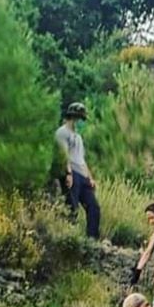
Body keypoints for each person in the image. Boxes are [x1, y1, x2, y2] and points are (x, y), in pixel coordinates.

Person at [55, 102, 100, 240]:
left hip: (82, 175)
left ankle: (92, 239)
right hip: (71, 173)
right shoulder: (62, 132)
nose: (81, 122)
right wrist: (68, 173)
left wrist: (90, 178)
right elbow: (64, 154)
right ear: (73, 117)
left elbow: (81, 159)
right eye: (80, 119)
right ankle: (70, 238)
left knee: (94, 207)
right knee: (72, 208)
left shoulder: (78, 137)